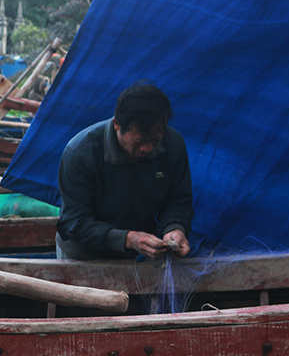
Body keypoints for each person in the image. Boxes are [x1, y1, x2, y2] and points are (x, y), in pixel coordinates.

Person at [56, 81, 192, 260]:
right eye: (139, 141)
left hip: (141, 256)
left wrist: (174, 228)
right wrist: (127, 239)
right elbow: (74, 222)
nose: (148, 148)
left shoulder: (173, 146)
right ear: (117, 124)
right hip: (84, 257)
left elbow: (178, 201)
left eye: (156, 139)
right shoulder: (81, 152)